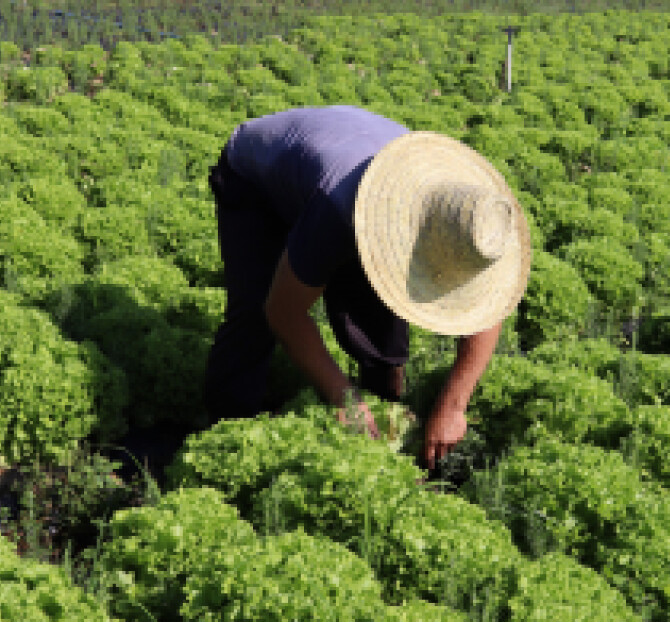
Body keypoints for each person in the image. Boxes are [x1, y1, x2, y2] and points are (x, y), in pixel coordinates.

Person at [203, 105, 530, 469]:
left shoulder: (474, 218)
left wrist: (453, 406)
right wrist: (343, 399)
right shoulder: (338, 208)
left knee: (378, 313)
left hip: (339, 154)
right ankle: (227, 437)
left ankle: (380, 407)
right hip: (254, 182)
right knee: (256, 311)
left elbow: (487, 310)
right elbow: (284, 312)